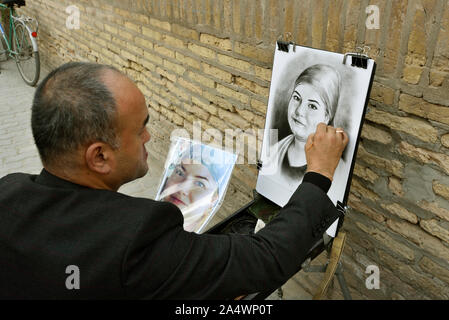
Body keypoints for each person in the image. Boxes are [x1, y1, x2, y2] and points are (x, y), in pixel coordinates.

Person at [0, 62, 348, 299]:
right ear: (100, 156)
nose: (150, 137)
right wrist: (318, 176)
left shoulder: (8, 191)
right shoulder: (136, 237)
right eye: (140, 130)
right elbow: (265, 259)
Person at [267, 64, 342, 186]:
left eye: (312, 106)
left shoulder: (338, 172)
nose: (299, 111)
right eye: (296, 98)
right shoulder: (272, 152)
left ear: (327, 116)